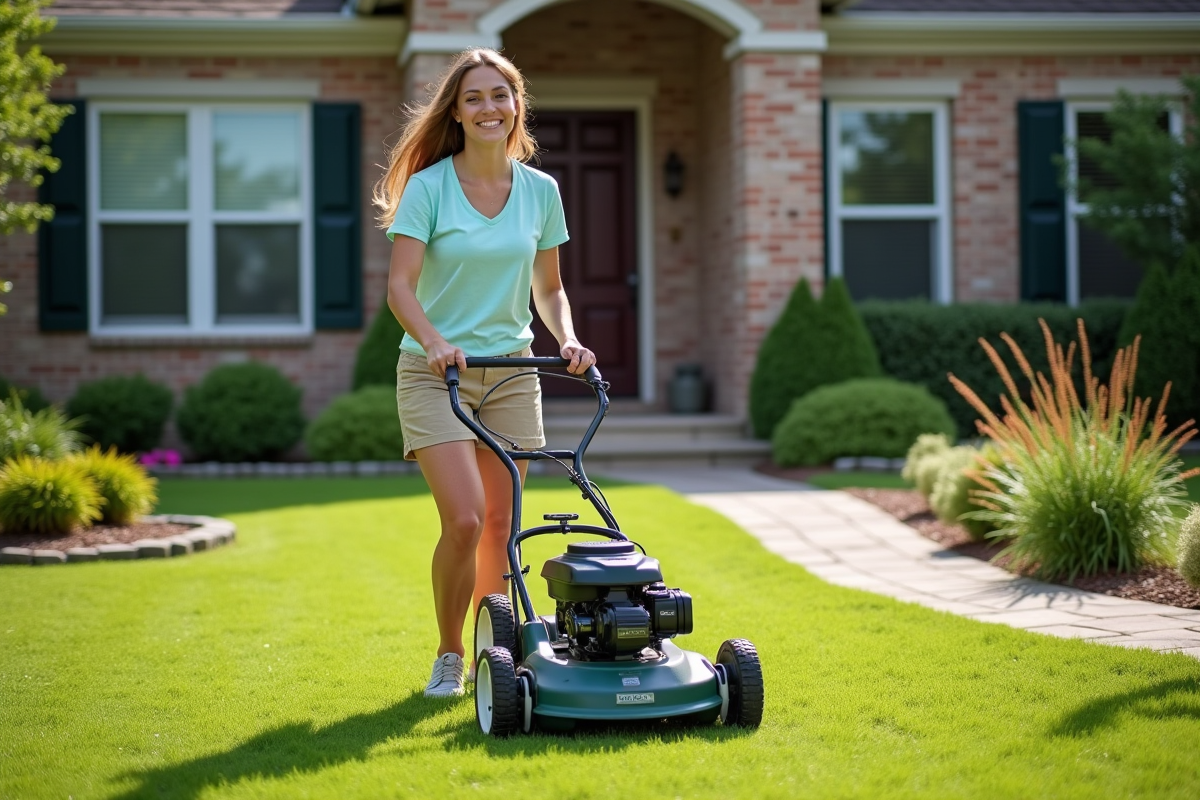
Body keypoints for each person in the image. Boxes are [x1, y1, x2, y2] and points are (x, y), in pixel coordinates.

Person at [373, 48, 596, 698]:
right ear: (458, 112)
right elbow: (400, 287)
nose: (489, 107)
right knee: (466, 520)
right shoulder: (431, 187)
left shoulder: (540, 192)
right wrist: (436, 341)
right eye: (474, 97)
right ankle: (449, 653)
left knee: (503, 524)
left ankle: (493, 652)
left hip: (511, 373)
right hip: (432, 373)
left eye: (500, 94)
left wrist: (571, 339)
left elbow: (549, 290)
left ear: (516, 105)